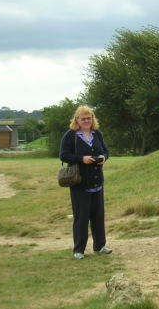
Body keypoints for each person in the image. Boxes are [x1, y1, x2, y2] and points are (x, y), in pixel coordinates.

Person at [60, 106, 112, 259]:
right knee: (81, 217)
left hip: (97, 182)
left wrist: (103, 157)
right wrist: (81, 159)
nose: (87, 121)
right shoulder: (70, 135)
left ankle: (100, 246)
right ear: (77, 120)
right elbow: (63, 155)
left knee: (98, 216)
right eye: (83, 118)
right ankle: (79, 250)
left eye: (89, 118)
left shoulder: (97, 134)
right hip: (79, 183)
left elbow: (106, 151)